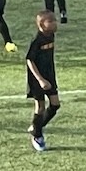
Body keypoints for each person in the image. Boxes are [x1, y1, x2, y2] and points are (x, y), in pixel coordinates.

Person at [26, 10, 61, 152]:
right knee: (39, 107)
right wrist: (40, 79)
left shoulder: (51, 35)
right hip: (37, 78)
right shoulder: (37, 40)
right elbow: (29, 60)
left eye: (54, 20)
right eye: (50, 21)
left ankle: (36, 127)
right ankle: (37, 137)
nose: (54, 23)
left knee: (55, 105)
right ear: (41, 24)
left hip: (50, 76)